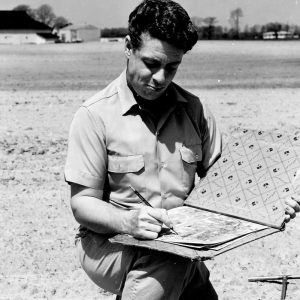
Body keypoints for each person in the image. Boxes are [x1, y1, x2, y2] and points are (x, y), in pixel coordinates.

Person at [64, 0, 300, 299]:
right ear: (128, 47)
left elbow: (230, 186)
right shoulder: (94, 115)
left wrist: (277, 202)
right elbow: (82, 204)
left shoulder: (195, 110)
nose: (160, 77)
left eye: (172, 67)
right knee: (170, 259)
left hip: (181, 244)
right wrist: (127, 221)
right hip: (109, 244)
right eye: (151, 63)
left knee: (181, 268)